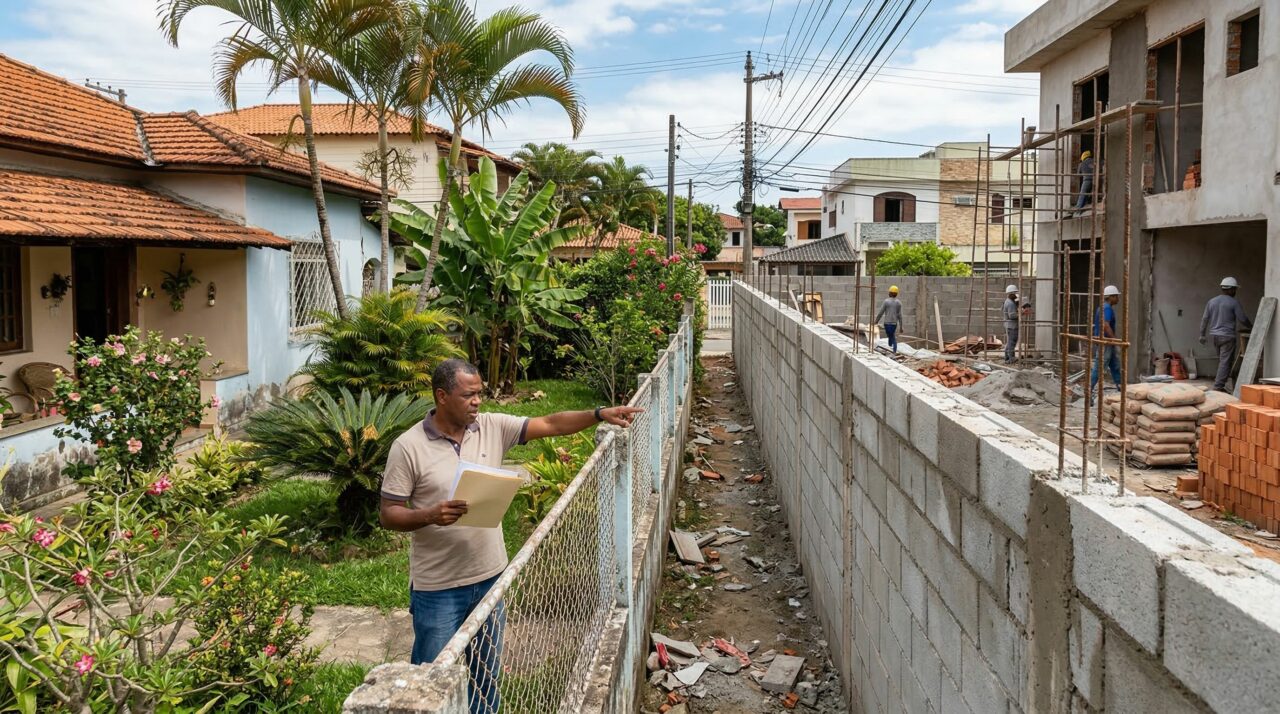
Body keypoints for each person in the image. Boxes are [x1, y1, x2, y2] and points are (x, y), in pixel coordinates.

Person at [379, 358, 643, 712]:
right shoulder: (408, 447)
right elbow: (389, 514)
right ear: (442, 396)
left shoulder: (491, 427)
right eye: (468, 395)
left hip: (491, 580)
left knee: (485, 680)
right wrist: (430, 515)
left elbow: (550, 423)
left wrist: (597, 414)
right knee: (430, 683)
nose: (477, 401)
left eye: (480, 394)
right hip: (438, 588)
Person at [1199, 277, 1253, 392]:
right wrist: (1253, 327)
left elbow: (1205, 319)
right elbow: (1242, 319)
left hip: (1215, 336)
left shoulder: (1212, 301)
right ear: (1231, 289)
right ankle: (1218, 386)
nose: (1235, 291)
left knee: (1223, 361)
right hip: (1227, 337)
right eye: (1235, 289)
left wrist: (1202, 334)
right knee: (1225, 362)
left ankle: (1221, 384)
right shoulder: (1234, 302)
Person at [1091, 285, 1122, 392]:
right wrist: (1114, 339)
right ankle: (1089, 388)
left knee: (1114, 365)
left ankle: (1120, 385)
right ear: (1110, 297)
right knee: (1100, 366)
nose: (1118, 298)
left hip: (1106, 342)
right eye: (1116, 296)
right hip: (1106, 342)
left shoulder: (1102, 307)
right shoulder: (1107, 308)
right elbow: (1106, 325)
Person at [875, 285, 904, 353]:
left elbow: (881, 312)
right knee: (891, 336)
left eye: (889, 292)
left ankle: (894, 351)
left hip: (887, 324)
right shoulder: (899, 303)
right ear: (896, 294)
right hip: (894, 324)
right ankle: (891, 346)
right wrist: (901, 327)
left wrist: (876, 321)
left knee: (892, 337)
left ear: (890, 293)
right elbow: (900, 316)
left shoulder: (886, 301)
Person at [1003, 285, 1020, 363]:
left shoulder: (1009, 301)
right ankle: (1011, 358)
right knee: (1012, 342)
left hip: (1009, 325)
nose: (1016, 295)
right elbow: (1012, 316)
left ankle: (1007, 357)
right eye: (1015, 293)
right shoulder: (1010, 303)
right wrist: (1021, 313)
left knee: (1010, 342)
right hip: (1012, 325)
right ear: (1011, 294)